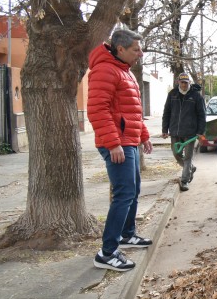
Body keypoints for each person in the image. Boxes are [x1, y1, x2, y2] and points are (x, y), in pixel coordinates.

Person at [87, 28, 154, 272]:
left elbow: (132, 111)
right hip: (117, 144)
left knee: (132, 190)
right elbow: (97, 109)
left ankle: (127, 234)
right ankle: (107, 252)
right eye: (136, 49)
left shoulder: (124, 71)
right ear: (120, 49)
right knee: (124, 193)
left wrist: (143, 136)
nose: (141, 53)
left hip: (128, 141)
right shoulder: (105, 70)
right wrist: (113, 143)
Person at [162, 72, 206, 191]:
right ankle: (190, 167)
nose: (184, 85)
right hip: (175, 130)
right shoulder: (172, 94)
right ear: (178, 82)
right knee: (176, 154)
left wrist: (200, 131)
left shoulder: (196, 96)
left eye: (186, 83)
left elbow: (202, 115)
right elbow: (167, 112)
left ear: (189, 83)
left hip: (190, 132)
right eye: (182, 82)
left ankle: (185, 180)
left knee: (188, 157)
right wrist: (164, 129)